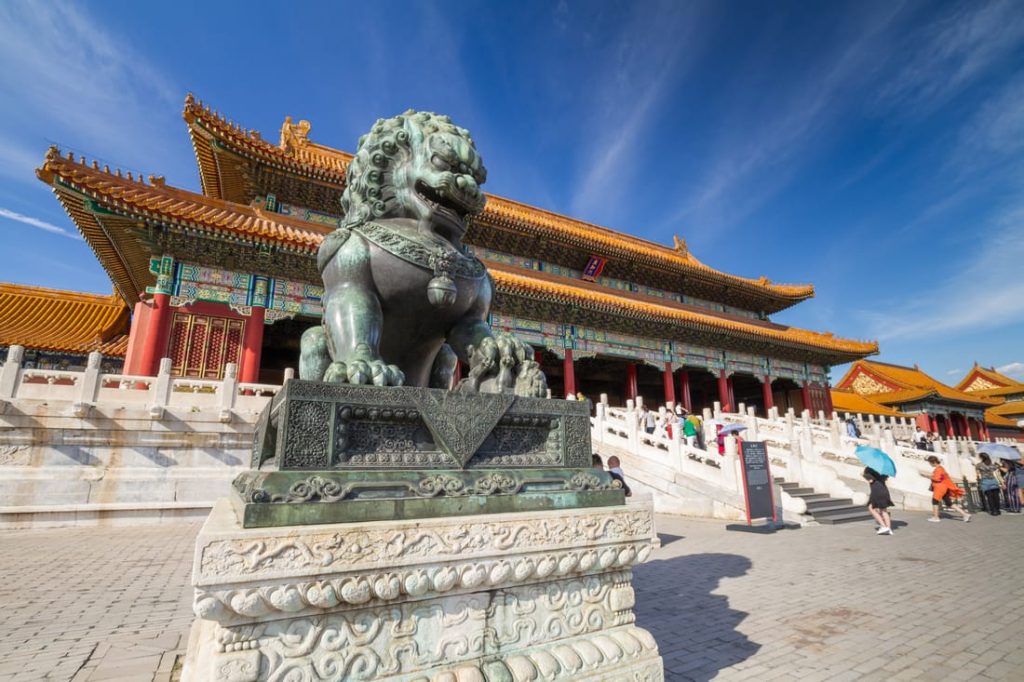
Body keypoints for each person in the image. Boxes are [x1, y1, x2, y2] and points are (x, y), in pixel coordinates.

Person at [926, 455, 970, 523]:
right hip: (944, 487)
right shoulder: (941, 468)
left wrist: (930, 477)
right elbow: (943, 478)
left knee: (935, 501)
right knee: (948, 503)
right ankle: (965, 514)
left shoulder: (938, 469)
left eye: (930, 463)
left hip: (939, 488)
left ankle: (936, 517)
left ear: (933, 462)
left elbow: (937, 479)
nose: (930, 464)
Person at [863, 467, 894, 535]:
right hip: (884, 490)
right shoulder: (883, 469)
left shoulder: (869, 468)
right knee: (884, 510)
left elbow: (871, 480)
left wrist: (863, 475)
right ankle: (888, 529)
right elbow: (885, 478)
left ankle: (883, 526)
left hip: (876, 491)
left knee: (871, 508)